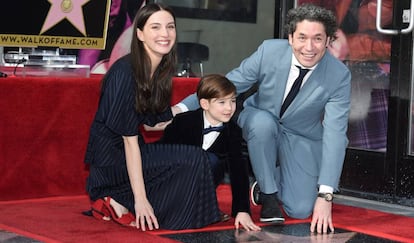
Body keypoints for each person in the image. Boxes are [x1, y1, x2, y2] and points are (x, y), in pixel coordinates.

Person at [174, 4, 351, 233]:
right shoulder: (270, 51)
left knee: (300, 209)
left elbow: (335, 133)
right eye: (302, 37)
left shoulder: (339, 75)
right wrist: (180, 108)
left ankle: (264, 182)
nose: (309, 47)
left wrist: (326, 195)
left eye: (318, 39)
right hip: (260, 120)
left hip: (301, 135)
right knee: (263, 124)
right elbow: (230, 83)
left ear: (328, 41)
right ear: (290, 38)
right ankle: (268, 195)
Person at [83, 3, 221, 231]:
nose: (164, 34)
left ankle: (122, 203)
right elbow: (129, 142)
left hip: (132, 150)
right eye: (155, 27)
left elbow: (155, 123)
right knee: (195, 159)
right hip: (112, 163)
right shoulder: (125, 72)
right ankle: (120, 199)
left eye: (170, 27)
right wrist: (141, 200)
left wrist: (197, 109)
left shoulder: (158, 69)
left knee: (201, 158)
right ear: (139, 34)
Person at [159, 74, 261, 231]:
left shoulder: (233, 131)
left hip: (203, 187)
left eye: (233, 101)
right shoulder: (183, 122)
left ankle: (199, 205)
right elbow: (162, 157)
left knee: (212, 161)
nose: (229, 108)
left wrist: (242, 210)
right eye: (222, 102)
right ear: (204, 104)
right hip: (172, 183)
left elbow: (238, 172)